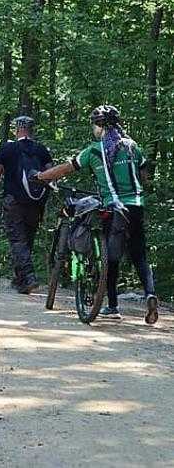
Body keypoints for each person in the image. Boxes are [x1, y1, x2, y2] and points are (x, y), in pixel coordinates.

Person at [35, 105, 158, 324]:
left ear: (100, 126)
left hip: (113, 207)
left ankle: (112, 306)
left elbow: (66, 168)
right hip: (136, 205)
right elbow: (145, 173)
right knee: (139, 255)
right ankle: (150, 294)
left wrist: (42, 176)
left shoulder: (93, 150)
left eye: (94, 124)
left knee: (111, 257)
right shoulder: (131, 146)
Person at [0, 115, 53, 294]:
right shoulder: (41, 149)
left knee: (17, 239)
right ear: (32, 129)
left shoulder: (8, 149)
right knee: (27, 239)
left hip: (13, 200)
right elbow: (51, 174)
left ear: (17, 129)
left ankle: (29, 276)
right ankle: (21, 280)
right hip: (35, 202)